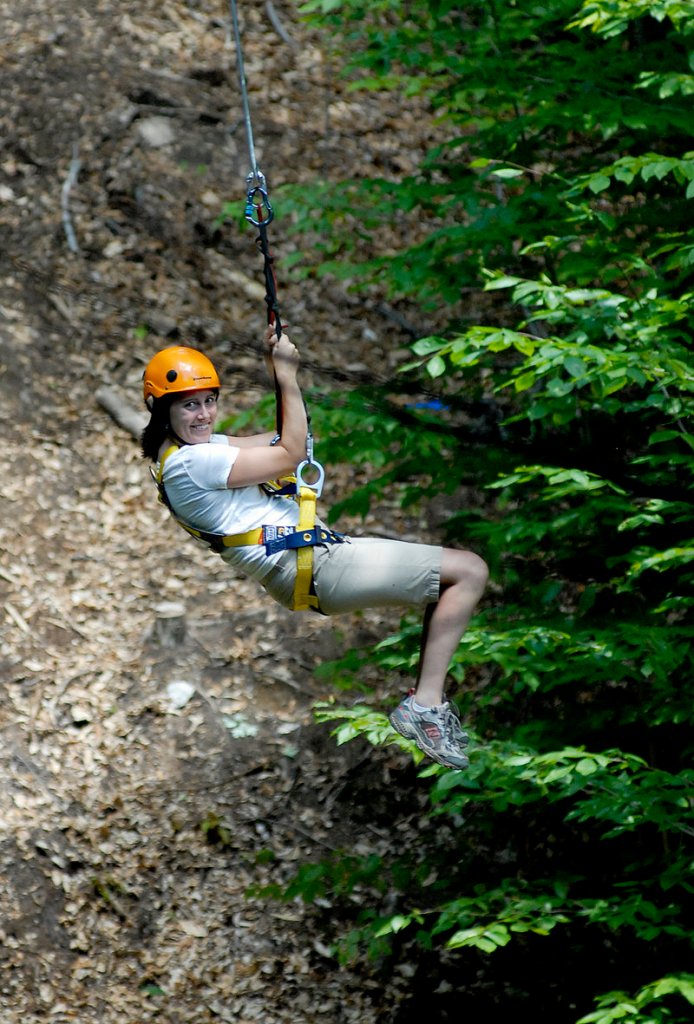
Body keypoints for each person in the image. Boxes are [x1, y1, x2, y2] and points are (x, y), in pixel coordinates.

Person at [141, 325, 488, 769]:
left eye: (210, 401)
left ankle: (425, 703)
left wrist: (282, 378)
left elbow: (283, 441)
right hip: (316, 565)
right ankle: (425, 707)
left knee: (455, 577)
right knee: (470, 572)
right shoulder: (194, 462)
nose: (205, 414)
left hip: (313, 561)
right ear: (161, 409)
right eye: (190, 405)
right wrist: (286, 375)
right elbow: (288, 454)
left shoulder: (181, 453)